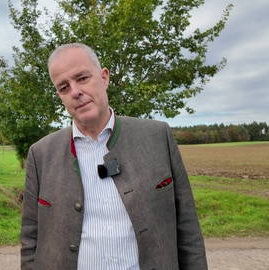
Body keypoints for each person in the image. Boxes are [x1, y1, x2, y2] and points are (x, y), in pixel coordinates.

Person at [20, 43, 208, 270]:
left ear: (104, 78)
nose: (75, 92)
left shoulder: (158, 137)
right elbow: (31, 239)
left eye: (82, 78)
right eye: (64, 87)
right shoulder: (41, 154)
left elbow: (188, 230)